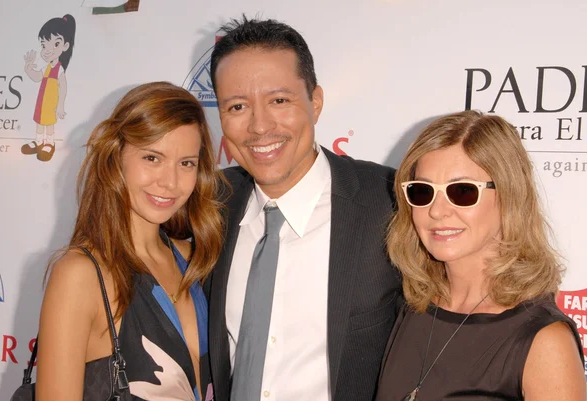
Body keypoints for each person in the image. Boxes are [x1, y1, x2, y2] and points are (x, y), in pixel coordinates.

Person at [207, 16, 401, 401]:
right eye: (238, 106)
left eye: (279, 101)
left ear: (315, 102)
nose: (260, 126)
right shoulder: (208, 204)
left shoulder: (389, 202)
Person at [376, 110, 585, 401]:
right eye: (423, 191)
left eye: (462, 191)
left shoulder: (543, 340)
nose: (436, 211)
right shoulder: (411, 308)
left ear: (509, 197)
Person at [36, 82, 224, 401]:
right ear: (116, 156)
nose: (170, 182)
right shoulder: (80, 276)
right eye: (152, 158)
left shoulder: (196, 261)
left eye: (186, 163)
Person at [22, 14, 76, 162]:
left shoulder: (59, 69)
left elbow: (63, 88)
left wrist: (60, 105)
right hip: (41, 102)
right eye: (44, 45)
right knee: (39, 122)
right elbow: (37, 76)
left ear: (65, 46)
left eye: (55, 44)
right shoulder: (46, 68)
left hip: (51, 103)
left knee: (49, 124)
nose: (47, 50)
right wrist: (28, 68)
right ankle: (38, 142)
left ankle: (49, 143)